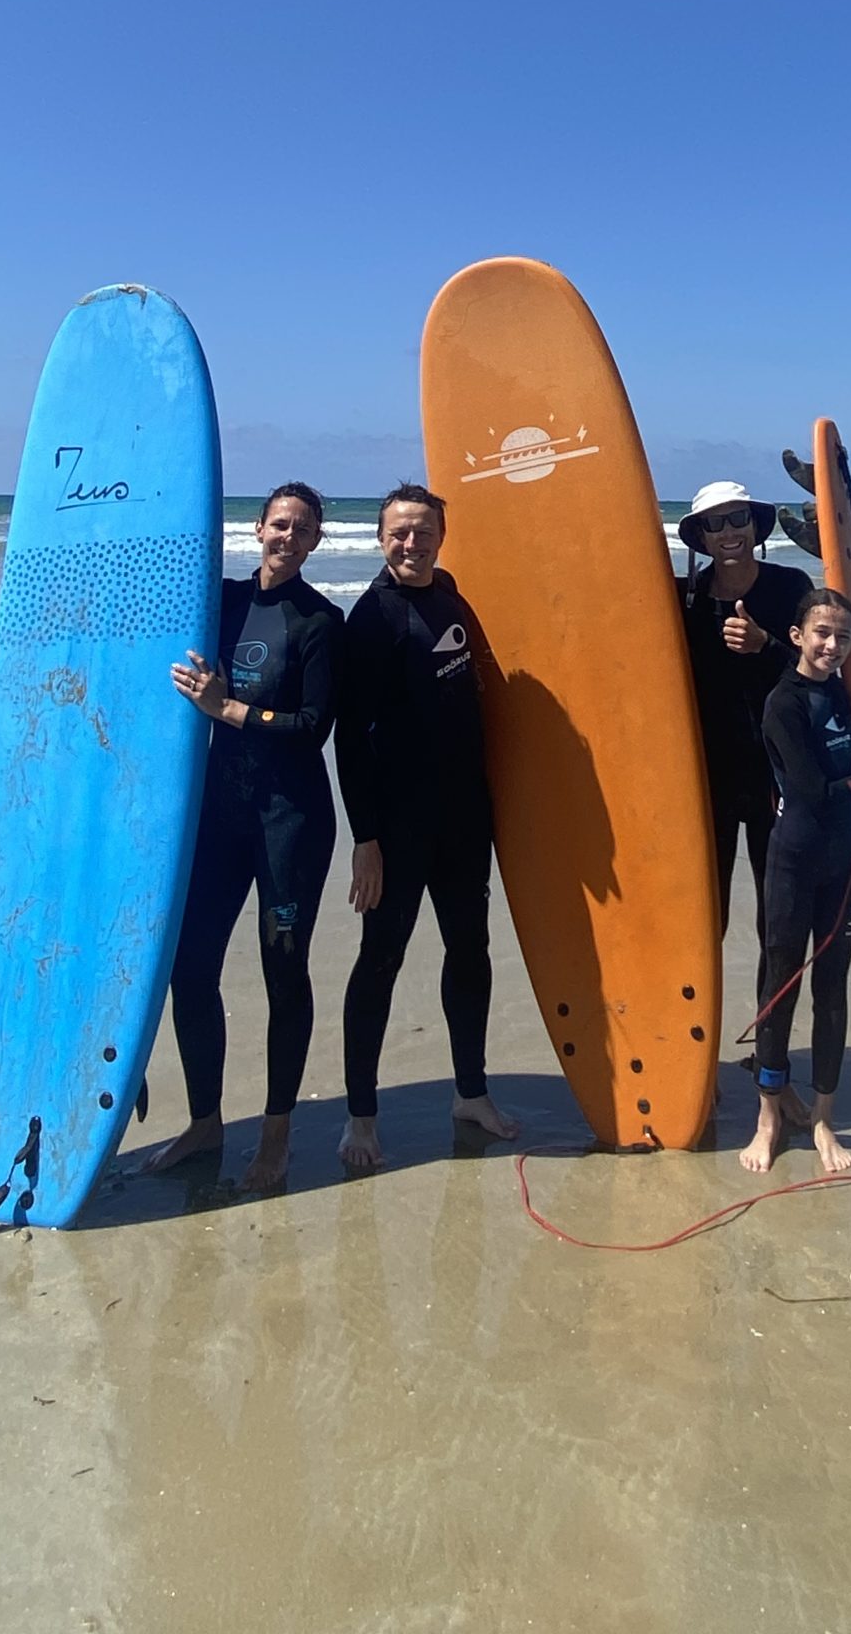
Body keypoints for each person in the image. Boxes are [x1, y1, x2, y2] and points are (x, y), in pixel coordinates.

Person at [149, 482, 344, 1192]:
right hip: (221, 820)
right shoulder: (222, 603)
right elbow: (138, 634)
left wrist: (224, 706)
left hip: (290, 824)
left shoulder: (321, 622)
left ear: (316, 542)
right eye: (279, 524)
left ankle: (276, 1133)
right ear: (257, 528)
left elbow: (312, 730)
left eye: (302, 529)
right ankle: (205, 1124)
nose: (287, 537)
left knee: (282, 974)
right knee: (188, 968)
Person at [336, 484, 520, 1169]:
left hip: (465, 818)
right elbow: (350, 738)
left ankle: (470, 1093)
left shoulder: (451, 597)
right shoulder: (373, 619)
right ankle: (360, 1117)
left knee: (470, 952)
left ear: (442, 535)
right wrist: (365, 839)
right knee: (380, 961)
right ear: (381, 539)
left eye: (422, 532)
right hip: (398, 826)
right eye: (398, 533)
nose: (410, 544)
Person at [740, 586, 851, 1179]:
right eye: (822, 633)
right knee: (781, 986)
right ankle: (769, 1118)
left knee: (833, 988)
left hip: (843, 860)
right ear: (798, 636)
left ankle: (823, 1116)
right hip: (795, 860)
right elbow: (806, 791)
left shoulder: (845, 694)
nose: (832, 645)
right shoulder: (784, 703)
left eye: (843, 636)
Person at [677, 480, 814, 940]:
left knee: (777, 917)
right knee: (703, 919)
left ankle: (771, 1012)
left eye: (738, 518)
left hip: (772, 776)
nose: (728, 531)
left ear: (756, 527)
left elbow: (818, 672)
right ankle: (699, 1013)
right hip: (705, 779)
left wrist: (765, 646)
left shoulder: (791, 587)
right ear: (702, 537)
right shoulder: (683, 598)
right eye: (715, 524)